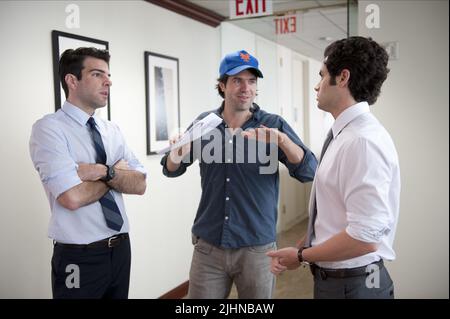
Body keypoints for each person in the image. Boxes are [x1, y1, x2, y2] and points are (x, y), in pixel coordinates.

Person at [160, 50, 317, 299]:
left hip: (257, 248)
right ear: (222, 85)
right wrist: (177, 152)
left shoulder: (273, 124)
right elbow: (171, 169)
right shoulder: (205, 123)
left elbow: (309, 171)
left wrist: (284, 142)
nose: (246, 88)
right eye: (237, 80)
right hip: (208, 245)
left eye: (252, 81)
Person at [267, 36, 400, 299]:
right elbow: (334, 210)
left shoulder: (361, 142)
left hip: (354, 286)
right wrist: (306, 244)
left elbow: (365, 237)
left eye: (322, 75)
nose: (316, 86)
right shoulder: (345, 134)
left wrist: (302, 255)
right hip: (340, 282)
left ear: (342, 78)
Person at [29, 47, 147, 299]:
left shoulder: (111, 129)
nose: (109, 82)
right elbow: (72, 197)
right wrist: (116, 174)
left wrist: (101, 171)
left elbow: (140, 184)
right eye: (97, 74)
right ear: (72, 80)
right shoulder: (49, 130)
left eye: (108, 75)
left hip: (120, 249)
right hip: (79, 257)